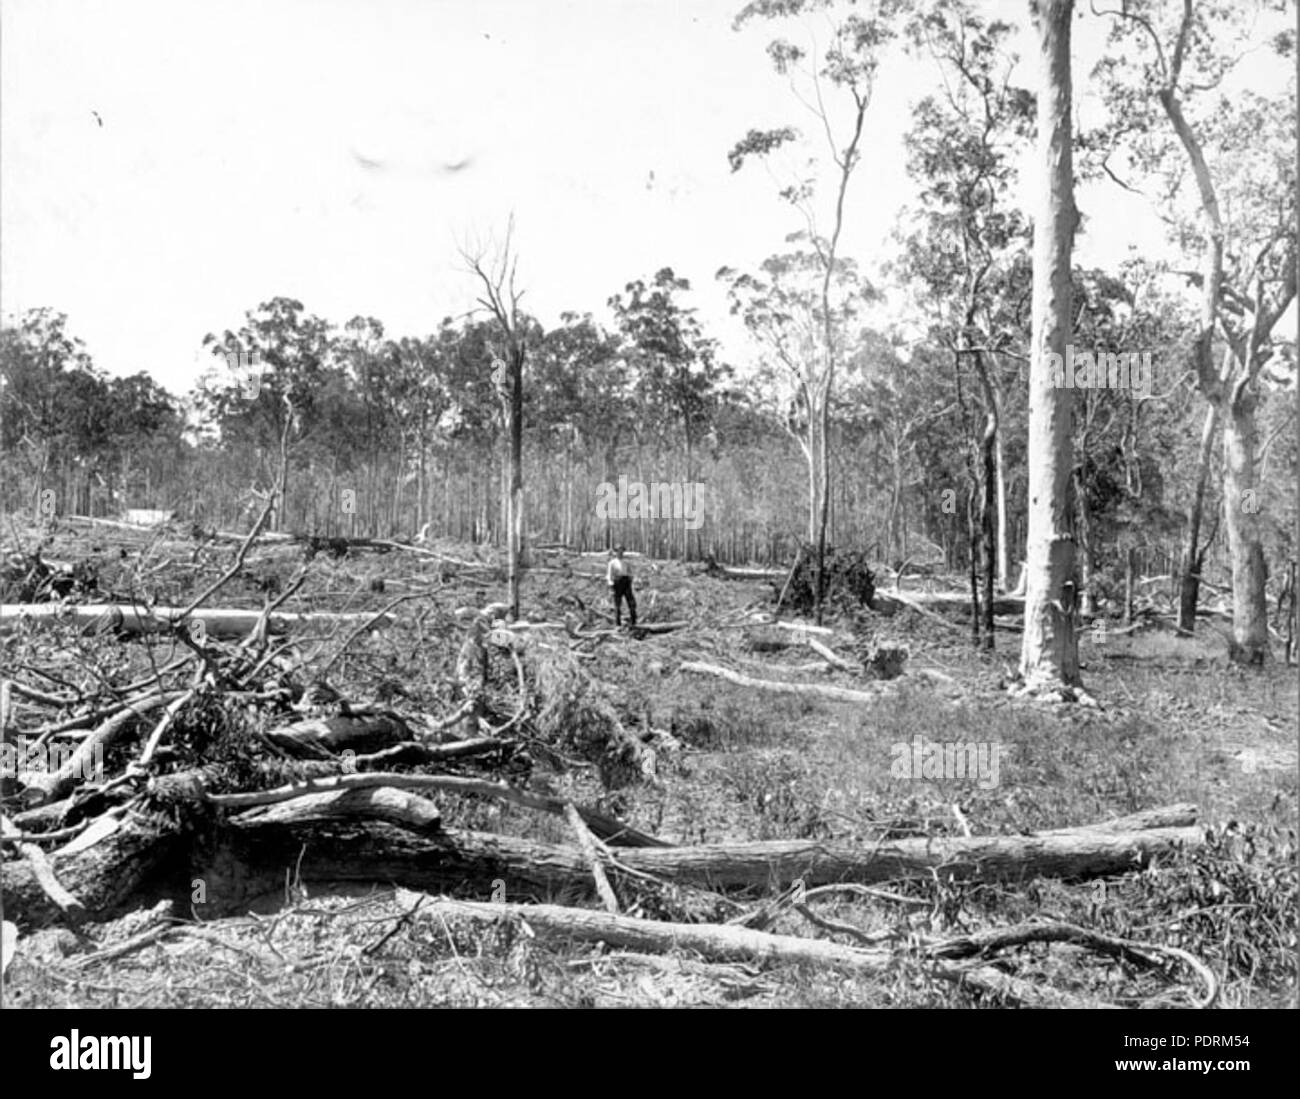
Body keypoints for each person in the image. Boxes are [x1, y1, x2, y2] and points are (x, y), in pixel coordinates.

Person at [606, 544, 637, 627]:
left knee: (631, 602)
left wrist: (630, 578)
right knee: (617, 604)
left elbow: (630, 572)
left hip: (626, 582)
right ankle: (618, 623)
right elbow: (609, 575)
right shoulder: (612, 563)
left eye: (622, 551)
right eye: (618, 551)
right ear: (616, 552)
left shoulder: (626, 562)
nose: (620, 553)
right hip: (617, 583)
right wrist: (611, 585)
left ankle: (634, 621)